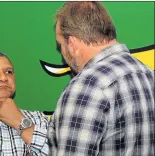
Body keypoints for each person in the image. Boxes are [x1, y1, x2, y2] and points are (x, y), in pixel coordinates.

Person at [47, 2, 154, 156]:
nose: (62, 52)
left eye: (60, 45)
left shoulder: (87, 86)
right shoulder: (147, 74)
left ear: (72, 43)